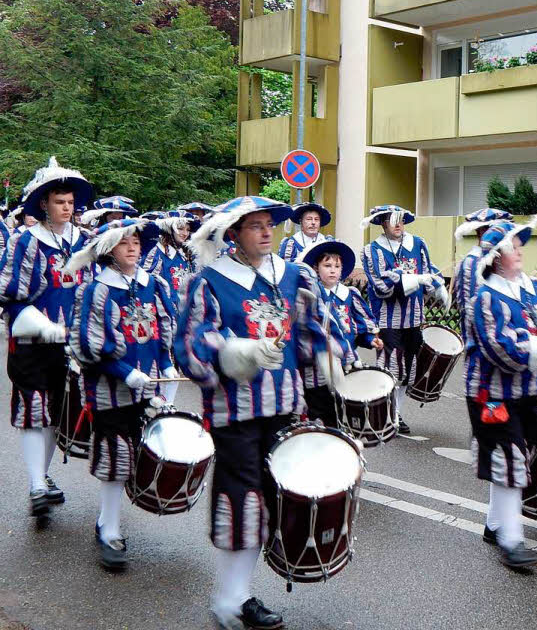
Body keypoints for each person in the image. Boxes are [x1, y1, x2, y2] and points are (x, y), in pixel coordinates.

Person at [174, 195, 342, 630]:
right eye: (255, 226)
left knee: (272, 498)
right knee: (242, 498)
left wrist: (329, 358)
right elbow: (190, 346)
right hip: (236, 412)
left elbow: (311, 331)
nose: (267, 232)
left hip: (285, 408)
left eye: (270, 224)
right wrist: (237, 351)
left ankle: (240, 592)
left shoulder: (293, 276)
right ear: (233, 234)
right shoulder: (209, 281)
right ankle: (232, 599)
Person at [66, 219, 177, 571]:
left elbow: (163, 328)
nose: (132, 248)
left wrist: (165, 363)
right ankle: (108, 528)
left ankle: (110, 518)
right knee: (115, 459)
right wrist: (126, 372)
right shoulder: (95, 290)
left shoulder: (153, 284)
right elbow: (86, 343)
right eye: (123, 243)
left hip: (146, 388)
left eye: (136, 242)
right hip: (108, 390)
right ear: (109, 249)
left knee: (139, 452)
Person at [466, 218, 537, 571]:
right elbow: (502, 349)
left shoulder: (529, 291)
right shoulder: (484, 297)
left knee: (516, 458)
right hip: (492, 393)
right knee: (511, 460)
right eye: (515, 247)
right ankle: (512, 541)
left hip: (528, 391)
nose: (521, 251)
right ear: (498, 256)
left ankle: (495, 525)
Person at [0, 157, 93, 520]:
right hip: (32, 342)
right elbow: (9, 292)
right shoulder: (26, 241)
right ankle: (37, 484)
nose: (66, 208)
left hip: (71, 346)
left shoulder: (86, 242)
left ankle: (42, 476)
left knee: (58, 412)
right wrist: (43, 325)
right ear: (44, 204)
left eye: (70, 202)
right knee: (32, 412)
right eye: (59, 202)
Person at [360, 204, 450, 435]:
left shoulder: (418, 244)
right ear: (382, 223)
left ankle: (396, 414)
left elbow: (429, 271)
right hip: (387, 320)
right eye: (392, 220)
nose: (398, 224)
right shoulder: (372, 251)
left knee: (408, 370)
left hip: (413, 319)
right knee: (390, 367)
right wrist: (413, 280)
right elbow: (381, 287)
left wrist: (437, 287)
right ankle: (382, 413)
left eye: (400, 219)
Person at [298, 240, 383, 426]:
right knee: (316, 417)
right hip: (316, 371)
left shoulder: (349, 295)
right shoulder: (311, 295)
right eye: (327, 265)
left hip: (346, 366)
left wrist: (370, 340)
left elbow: (360, 326)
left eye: (337, 266)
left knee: (340, 414)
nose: (332, 270)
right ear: (316, 268)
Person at [141, 213, 200, 401]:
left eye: (187, 229)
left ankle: (170, 405)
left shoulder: (185, 253)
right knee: (165, 362)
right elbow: (147, 282)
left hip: (183, 315)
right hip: (164, 316)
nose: (185, 233)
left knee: (178, 364)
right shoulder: (156, 252)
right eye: (181, 229)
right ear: (169, 228)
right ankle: (160, 404)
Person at [451, 208, 513, 338]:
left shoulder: (496, 258)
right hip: (483, 341)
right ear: (482, 232)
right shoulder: (473, 263)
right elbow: (473, 309)